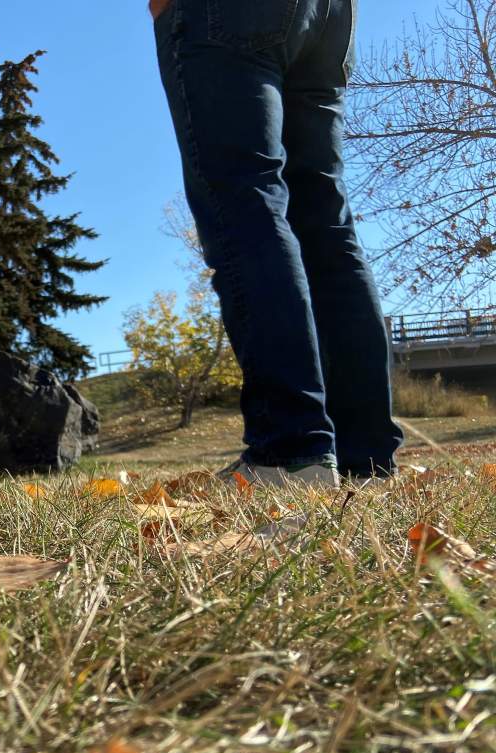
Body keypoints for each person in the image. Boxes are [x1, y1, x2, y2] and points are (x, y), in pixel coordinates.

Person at [151, 0, 403, 487]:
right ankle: (365, 460)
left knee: (246, 204)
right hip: (330, 15)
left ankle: (290, 451)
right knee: (326, 221)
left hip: (228, 16)